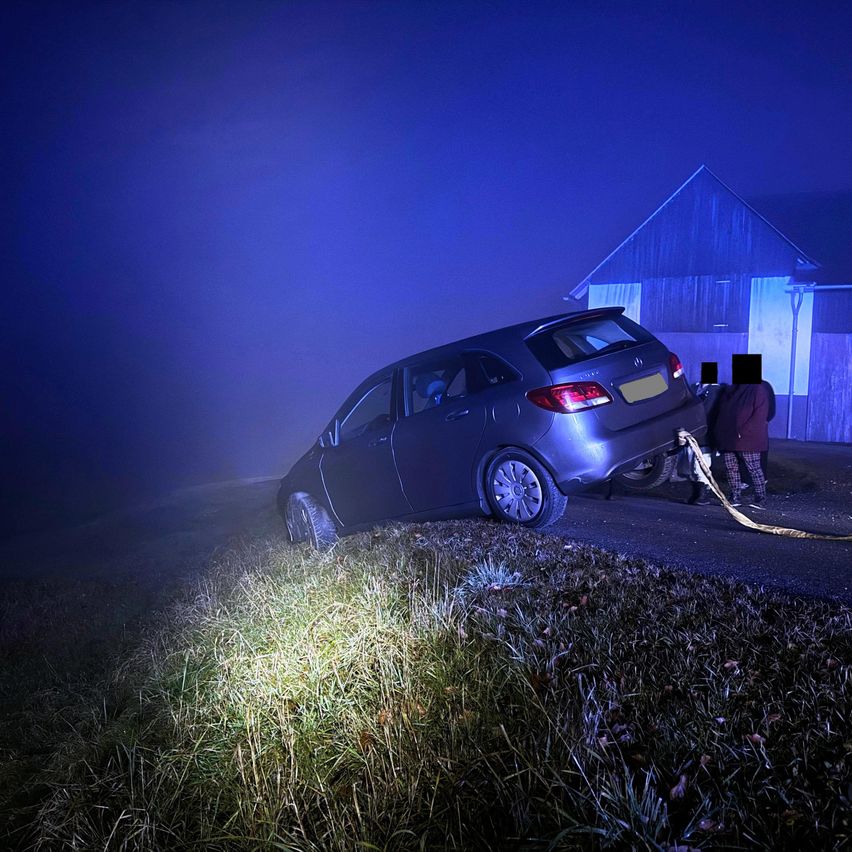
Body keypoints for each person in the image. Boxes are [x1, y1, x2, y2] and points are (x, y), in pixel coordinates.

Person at [714, 378, 770, 509]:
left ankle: (760, 498)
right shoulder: (730, 390)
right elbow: (723, 412)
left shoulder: (757, 389)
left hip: (748, 439)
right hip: (729, 437)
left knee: (754, 468)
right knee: (731, 468)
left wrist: (744, 431)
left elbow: (760, 415)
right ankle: (735, 496)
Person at [681, 361, 723, 505]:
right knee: (689, 465)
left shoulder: (716, 390)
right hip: (692, 433)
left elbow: (712, 412)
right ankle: (696, 493)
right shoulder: (694, 387)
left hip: (706, 434)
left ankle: (704, 494)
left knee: (702, 465)